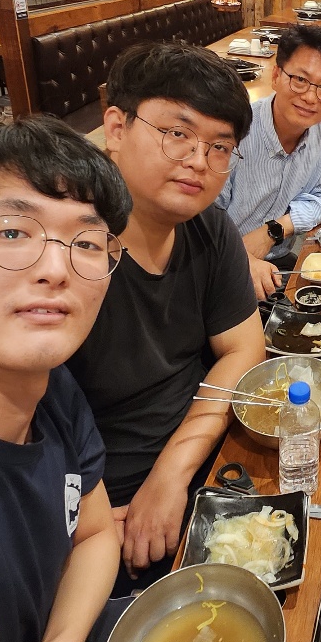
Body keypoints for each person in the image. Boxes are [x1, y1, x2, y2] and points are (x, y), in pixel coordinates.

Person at [0, 116, 130, 642]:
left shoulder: (50, 387)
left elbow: (97, 533)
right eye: (12, 232)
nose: (55, 267)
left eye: (85, 243)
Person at [67, 43, 265, 590]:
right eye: (177, 133)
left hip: (205, 460)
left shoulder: (211, 230)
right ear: (116, 128)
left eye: (220, 146)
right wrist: (91, 521)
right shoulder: (66, 257)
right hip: (102, 512)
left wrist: (172, 473)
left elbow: (245, 348)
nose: (199, 160)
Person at [218, 25, 321, 297]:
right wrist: (239, 257)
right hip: (214, 262)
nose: (310, 97)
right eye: (300, 79)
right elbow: (199, 217)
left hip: (275, 262)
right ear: (276, 75)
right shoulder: (234, 131)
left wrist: (275, 230)